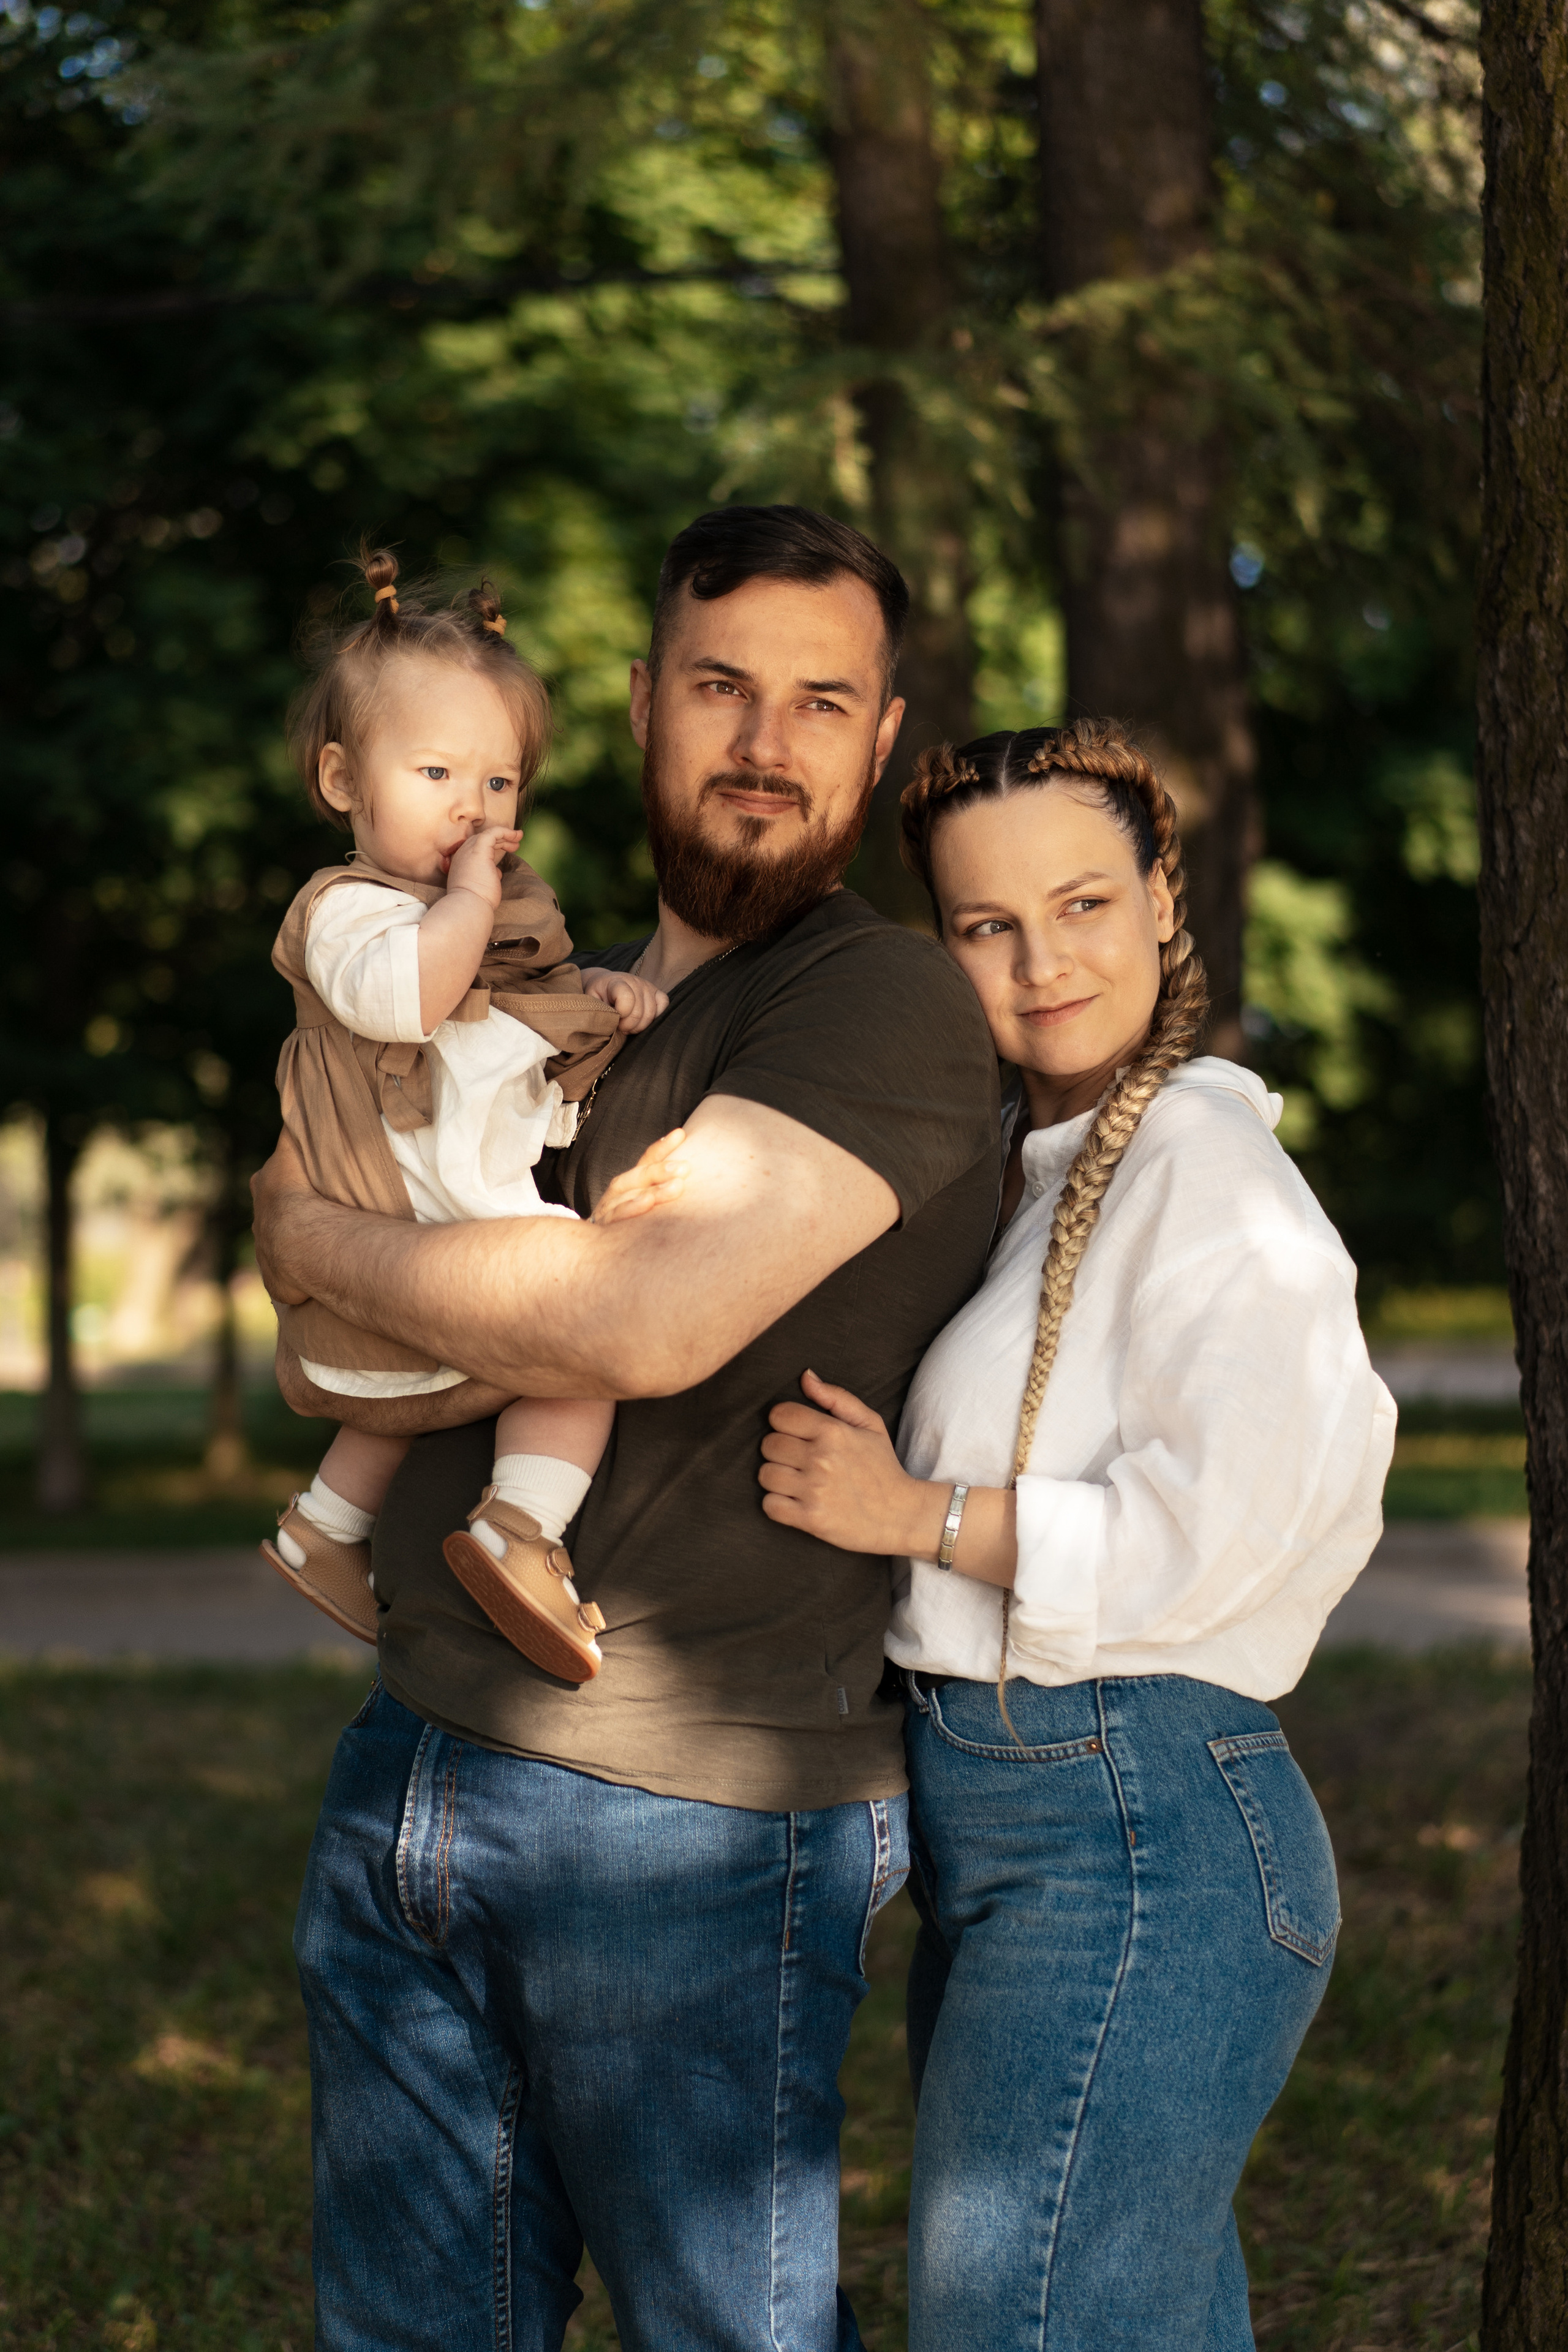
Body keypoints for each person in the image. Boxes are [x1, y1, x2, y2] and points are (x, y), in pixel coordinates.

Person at [249, 505, 1002, 2352]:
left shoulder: (876, 995)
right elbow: (341, 1338)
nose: (766, 739)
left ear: (884, 740)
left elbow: (632, 1317)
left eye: (822, 702)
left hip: (691, 1821)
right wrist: (351, 1267)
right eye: (724, 685)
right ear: (649, 703)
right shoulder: (529, 979)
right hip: (415, 1758)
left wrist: (307, 1235)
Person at [758, 719, 1396, 2351]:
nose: (1043, 963)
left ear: (1166, 900)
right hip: (1018, 1825)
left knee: (1019, 2322)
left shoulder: (1209, 1164)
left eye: (1086, 903)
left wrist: (920, 1515)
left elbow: (1235, 1525)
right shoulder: (1036, 1176)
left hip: (1139, 1825)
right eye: (988, 926)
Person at [261, 546, 671, 1682]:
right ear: (344, 782)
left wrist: (595, 996)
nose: (472, 809)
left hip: (440, 1189)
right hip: (410, 1190)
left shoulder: (469, 909)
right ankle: (522, 1529)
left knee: (412, 1375)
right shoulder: (348, 911)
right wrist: (480, 894)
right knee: (582, 1327)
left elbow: (501, 1017)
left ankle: (322, 1527)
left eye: (499, 785)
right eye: (437, 774)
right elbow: (417, 999)